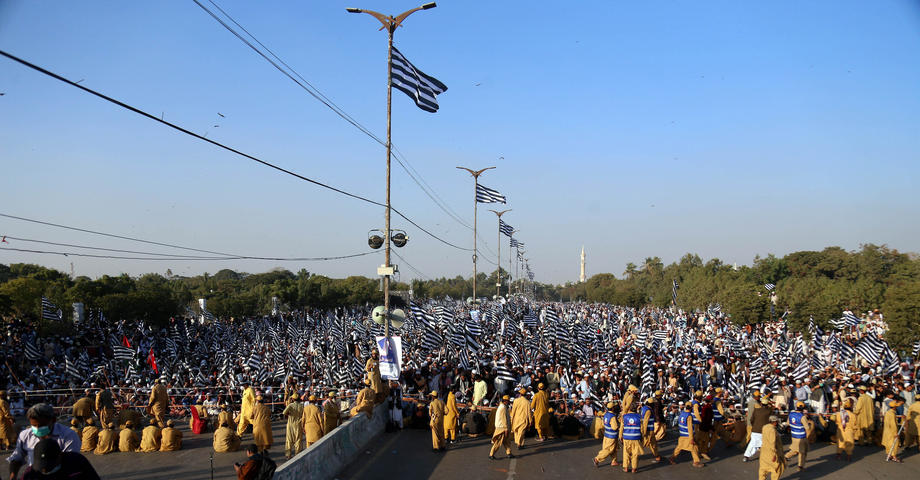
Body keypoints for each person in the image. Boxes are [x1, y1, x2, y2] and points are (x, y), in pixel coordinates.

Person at [8, 403, 82, 478]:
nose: (37, 429)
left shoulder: (68, 436)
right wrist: (13, 476)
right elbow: (16, 458)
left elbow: (71, 462)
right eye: (34, 425)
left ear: (53, 420)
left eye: (42, 425)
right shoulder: (25, 435)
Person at [21, 438, 100, 480]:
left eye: (49, 465)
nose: (44, 470)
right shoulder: (30, 474)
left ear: (60, 456)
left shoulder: (77, 462)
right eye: (41, 466)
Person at [668, 402, 704, 467]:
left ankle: (672, 458)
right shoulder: (689, 416)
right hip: (688, 435)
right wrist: (691, 438)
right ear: (691, 407)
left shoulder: (682, 413)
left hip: (682, 434)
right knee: (694, 448)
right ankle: (696, 462)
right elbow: (690, 427)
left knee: (679, 447)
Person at [743, 396, 772, 461]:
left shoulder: (756, 410)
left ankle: (746, 456)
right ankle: (768, 455)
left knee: (753, 443)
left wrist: (754, 425)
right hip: (763, 430)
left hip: (755, 429)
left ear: (761, 403)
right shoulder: (768, 411)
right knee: (764, 443)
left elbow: (751, 420)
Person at [592, 402, 620, 467]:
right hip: (612, 436)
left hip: (607, 435)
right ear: (613, 408)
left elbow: (603, 424)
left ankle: (614, 461)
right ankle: (597, 459)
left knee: (614, 448)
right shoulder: (612, 416)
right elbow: (614, 427)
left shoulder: (605, 414)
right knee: (609, 450)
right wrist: (619, 426)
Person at [784, 401, 809, 470]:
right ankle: (800, 466)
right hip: (801, 437)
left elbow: (788, 423)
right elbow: (807, 428)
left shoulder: (791, 414)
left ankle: (785, 457)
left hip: (794, 435)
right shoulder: (803, 417)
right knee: (802, 452)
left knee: (795, 449)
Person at [758, 416, 785, 480]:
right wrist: (774, 455)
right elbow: (772, 443)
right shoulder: (772, 430)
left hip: (764, 451)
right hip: (771, 453)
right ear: (775, 422)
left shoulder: (764, 427)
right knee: (777, 469)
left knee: (763, 469)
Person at [489, 395, 514, 460]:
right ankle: (491, 454)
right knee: (498, 442)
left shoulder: (502, 406)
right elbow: (503, 419)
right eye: (508, 401)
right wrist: (506, 429)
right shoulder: (503, 407)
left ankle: (509, 453)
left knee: (506, 441)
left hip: (502, 427)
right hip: (502, 428)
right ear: (506, 401)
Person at [620, 403, 642, 473]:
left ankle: (626, 467)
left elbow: (621, 427)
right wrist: (643, 436)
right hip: (636, 437)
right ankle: (634, 468)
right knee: (635, 453)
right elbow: (642, 428)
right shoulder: (639, 416)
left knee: (626, 452)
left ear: (629, 409)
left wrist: (620, 436)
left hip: (626, 437)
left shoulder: (624, 416)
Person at [281, 393, 304, 458]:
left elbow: (284, 412)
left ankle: (288, 455)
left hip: (291, 424)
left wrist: (289, 414)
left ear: (293, 399)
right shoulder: (302, 406)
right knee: (298, 440)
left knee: (289, 440)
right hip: (299, 424)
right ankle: (297, 454)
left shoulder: (290, 405)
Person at [881, 398, 904, 462]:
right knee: (894, 443)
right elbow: (893, 425)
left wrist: (900, 416)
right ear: (894, 407)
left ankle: (889, 455)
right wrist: (895, 433)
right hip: (891, 431)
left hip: (887, 431)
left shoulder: (888, 412)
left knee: (888, 443)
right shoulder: (892, 414)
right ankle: (894, 456)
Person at [640, 397, 661, 462]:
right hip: (648, 430)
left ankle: (657, 455)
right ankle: (631, 455)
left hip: (648, 430)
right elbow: (645, 422)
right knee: (646, 444)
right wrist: (644, 432)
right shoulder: (648, 411)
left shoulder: (644, 408)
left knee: (652, 444)